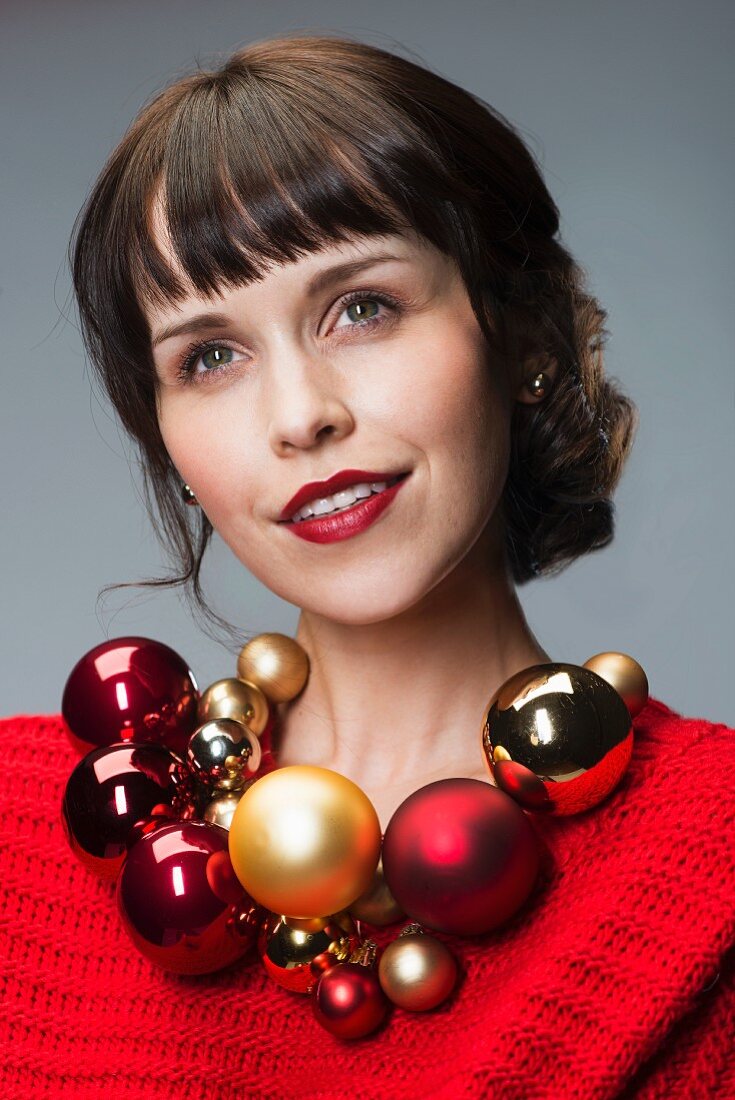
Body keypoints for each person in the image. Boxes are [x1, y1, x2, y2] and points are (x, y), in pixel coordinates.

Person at [2, 32, 733, 1099]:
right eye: (209, 355)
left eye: (362, 307)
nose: (301, 416)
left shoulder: (708, 862)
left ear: (521, 335)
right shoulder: (25, 838)